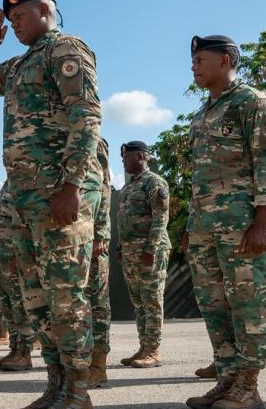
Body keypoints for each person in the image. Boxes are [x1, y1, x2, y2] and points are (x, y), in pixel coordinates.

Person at [0, 0, 103, 409]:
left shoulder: (65, 50)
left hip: (58, 194)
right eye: (10, 20)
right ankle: (56, 385)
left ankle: (78, 391)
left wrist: (72, 187)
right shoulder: (18, 64)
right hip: (26, 200)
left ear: (45, 10)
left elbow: (86, 116)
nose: (13, 25)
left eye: (19, 17)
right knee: (37, 299)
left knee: (66, 297)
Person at [182, 35, 266, 409]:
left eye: (201, 60)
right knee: (214, 306)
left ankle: (248, 386)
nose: (194, 66)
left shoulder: (252, 101)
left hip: (241, 225)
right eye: (193, 61)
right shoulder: (202, 113)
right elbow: (200, 176)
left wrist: (262, 221)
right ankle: (227, 380)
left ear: (225, 60)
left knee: (246, 304)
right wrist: (191, 227)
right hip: (204, 228)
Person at [117, 140, 171, 370]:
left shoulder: (154, 182)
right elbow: (123, 220)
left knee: (151, 301)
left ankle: (154, 351)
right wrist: (120, 247)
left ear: (141, 157)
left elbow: (161, 217)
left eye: (127, 158)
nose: (124, 162)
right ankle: (144, 347)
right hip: (131, 252)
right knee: (138, 303)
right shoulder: (128, 187)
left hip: (150, 251)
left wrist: (151, 248)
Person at [0, 182, 35, 373]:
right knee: (6, 306)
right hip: (1, 256)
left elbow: (26, 221)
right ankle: (14, 350)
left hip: (15, 254)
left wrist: (21, 253)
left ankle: (24, 353)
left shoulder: (25, 182)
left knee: (19, 305)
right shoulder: (8, 184)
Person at [86, 139, 112, 388]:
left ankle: (98, 366)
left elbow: (104, 187)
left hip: (93, 236)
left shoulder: (94, 141)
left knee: (97, 301)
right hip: (72, 232)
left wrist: (100, 233)